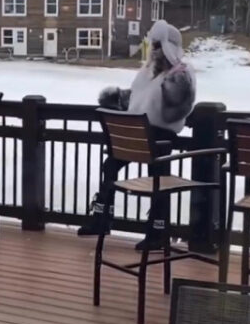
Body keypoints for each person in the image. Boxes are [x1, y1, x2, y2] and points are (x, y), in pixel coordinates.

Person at [77, 20, 196, 249]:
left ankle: (157, 230)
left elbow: (175, 109)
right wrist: (115, 100)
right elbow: (137, 99)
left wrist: (173, 85)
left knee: (158, 178)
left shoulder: (180, 74)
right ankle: (102, 218)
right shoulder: (148, 73)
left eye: (159, 45)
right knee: (111, 166)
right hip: (138, 134)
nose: (155, 50)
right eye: (153, 45)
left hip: (160, 137)